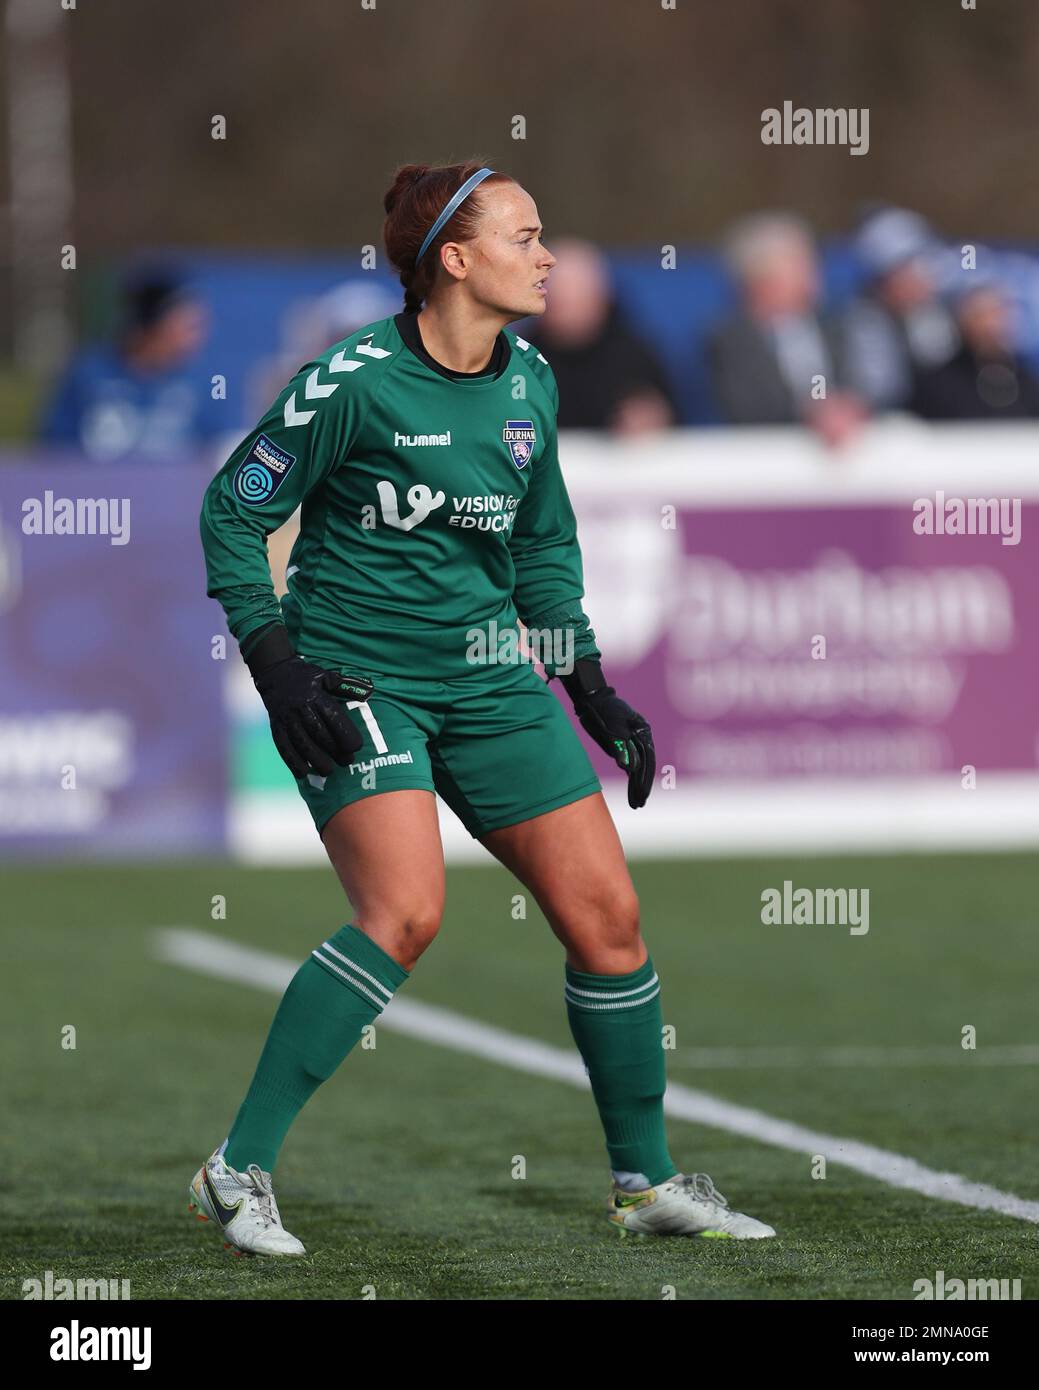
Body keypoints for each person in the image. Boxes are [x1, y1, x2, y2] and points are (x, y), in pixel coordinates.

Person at [193, 160, 775, 1255]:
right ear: (453, 260)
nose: (547, 255)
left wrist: (587, 681)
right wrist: (276, 663)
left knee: (609, 923)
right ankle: (236, 1170)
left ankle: (645, 1184)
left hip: (491, 681)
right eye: (525, 236)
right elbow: (232, 511)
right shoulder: (352, 380)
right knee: (404, 913)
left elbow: (543, 546)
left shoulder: (530, 381)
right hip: (357, 679)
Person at [707, 212, 866, 447]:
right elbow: (745, 409)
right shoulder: (730, 340)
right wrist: (812, 414)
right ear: (760, 277)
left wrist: (850, 408)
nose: (814, 274)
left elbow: (866, 386)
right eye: (799, 264)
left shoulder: (836, 328)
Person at [38, 267, 222, 461]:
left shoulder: (203, 384)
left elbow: (221, 454)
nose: (199, 337)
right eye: (189, 326)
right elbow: (52, 452)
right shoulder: (87, 376)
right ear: (152, 324)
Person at [525, 237, 677, 433]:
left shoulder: (635, 356)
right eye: (558, 297)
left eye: (577, 296)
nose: (567, 308)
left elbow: (668, 417)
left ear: (600, 297)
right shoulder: (519, 359)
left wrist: (652, 417)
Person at [841, 206, 959, 412]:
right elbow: (878, 395)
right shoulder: (853, 328)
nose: (924, 280)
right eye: (908, 272)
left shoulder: (940, 319)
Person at [910, 278, 1039, 421]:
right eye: (982, 316)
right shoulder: (938, 384)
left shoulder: (1026, 382)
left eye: (998, 315)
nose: (993, 326)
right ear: (963, 322)